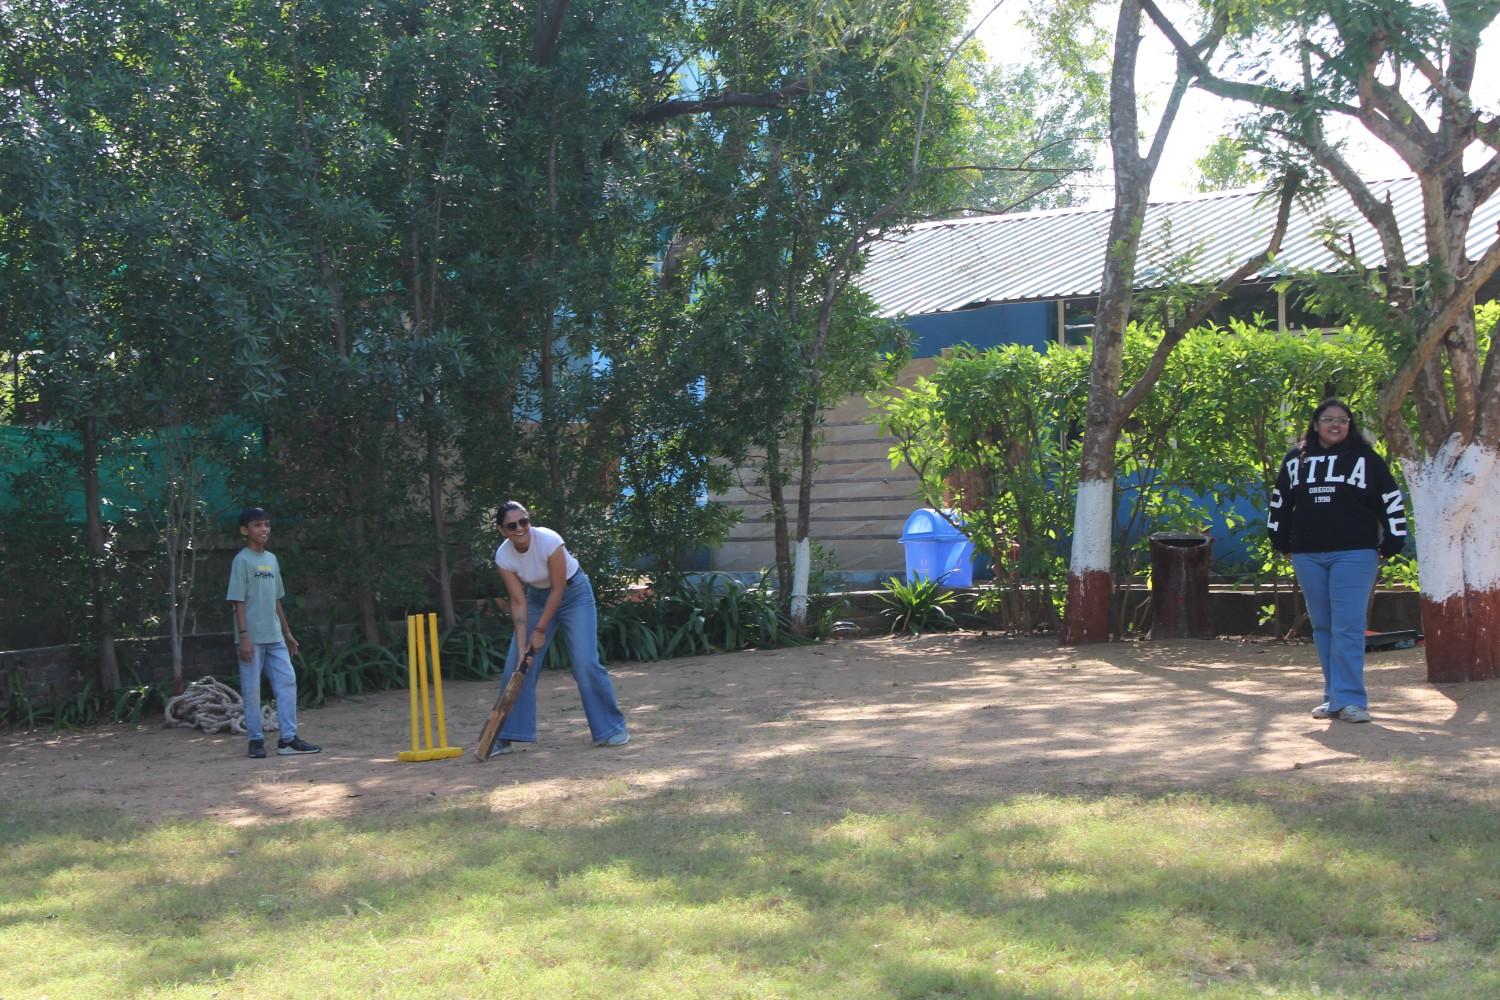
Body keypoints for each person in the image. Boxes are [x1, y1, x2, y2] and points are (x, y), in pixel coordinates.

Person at [1267, 400, 1407, 723]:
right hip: (1308, 555)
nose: (1335, 425)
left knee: (1348, 625)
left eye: (1342, 420)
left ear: (1350, 425)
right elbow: (1279, 504)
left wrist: (1392, 542)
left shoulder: (1367, 460)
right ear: (1315, 424)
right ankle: (1334, 697)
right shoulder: (1295, 460)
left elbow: (1391, 501)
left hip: (1354, 553)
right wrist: (1282, 543)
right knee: (1324, 626)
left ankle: (1352, 700)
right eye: (1328, 419)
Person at [487, 501, 628, 757]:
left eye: (524, 521)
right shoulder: (503, 556)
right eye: (512, 525)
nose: (520, 528)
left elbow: (559, 589)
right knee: (517, 665)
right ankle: (505, 736)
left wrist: (539, 631)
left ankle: (611, 729)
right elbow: (518, 602)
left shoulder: (549, 540)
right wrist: (522, 646)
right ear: (502, 530)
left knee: (585, 662)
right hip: (536, 599)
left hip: (574, 594)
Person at [226, 507, 321, 758]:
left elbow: (276, 600)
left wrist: (287, 632)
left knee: (287, 682)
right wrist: (244, 635)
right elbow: (238, 601)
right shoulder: (242, 560)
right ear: (245, 530)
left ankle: (288, 739)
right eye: (257, 525)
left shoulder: (272, 560)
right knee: (252, 689)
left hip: (275, 636)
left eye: (267, 524)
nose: (264, 529)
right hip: (252, 638)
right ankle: (255, 740)